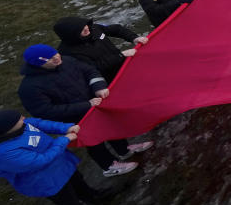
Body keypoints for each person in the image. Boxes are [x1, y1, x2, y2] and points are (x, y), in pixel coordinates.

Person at [17, 45, 144, 177]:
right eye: (48, 59)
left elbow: (90, 71)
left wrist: (99, 87)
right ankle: (109, 166)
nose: (56, 58)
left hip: (95, 106)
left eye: (55, 54)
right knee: (94, 143)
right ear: (38, 64)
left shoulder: (67, 60)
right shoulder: (29, 88)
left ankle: (124, 150)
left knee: (110, 128)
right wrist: (86, 105)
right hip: (75, 120)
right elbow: (45, 112)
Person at [0, 109, 120, 205]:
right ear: (7, 129)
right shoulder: (2, 153)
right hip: (43, 179)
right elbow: (40, 161)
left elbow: (40, 123)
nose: (23, 118)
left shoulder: (22, 125)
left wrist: (67, 128)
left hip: (59, 163)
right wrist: (63, 140)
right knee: (67, 201)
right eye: (19, 119)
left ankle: (92, 196)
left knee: (78, 181)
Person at [52, 16, 147, 83]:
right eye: (81, 29)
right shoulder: (67, 53)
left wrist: (134, 38)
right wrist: (120, 56)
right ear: (72, 35)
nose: (86, 28)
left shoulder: (94, 28)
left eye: (84, 25)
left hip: (126, 65)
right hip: (111, 81)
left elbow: (117, 29)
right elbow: (93, 68)